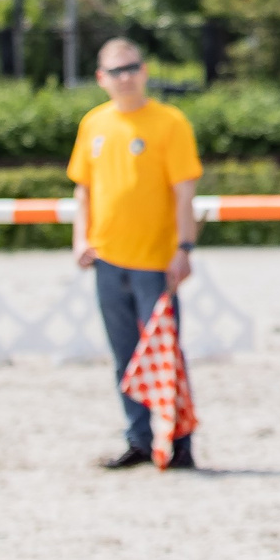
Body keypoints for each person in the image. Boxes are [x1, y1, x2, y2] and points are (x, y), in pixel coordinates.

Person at [68, 37, 202, 470]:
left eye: (131, 68)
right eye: (116, 71)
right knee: (124, 354)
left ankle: (180, 440)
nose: (125, 78)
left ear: (144, 71)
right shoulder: (93, 123)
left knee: (166, 352)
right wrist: (80, 238)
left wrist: (184, 247)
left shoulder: (169, 122)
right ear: (101, 78)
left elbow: (184, 193)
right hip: (108, 258)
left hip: (156, 260)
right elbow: (83, 191)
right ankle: (138, 438)